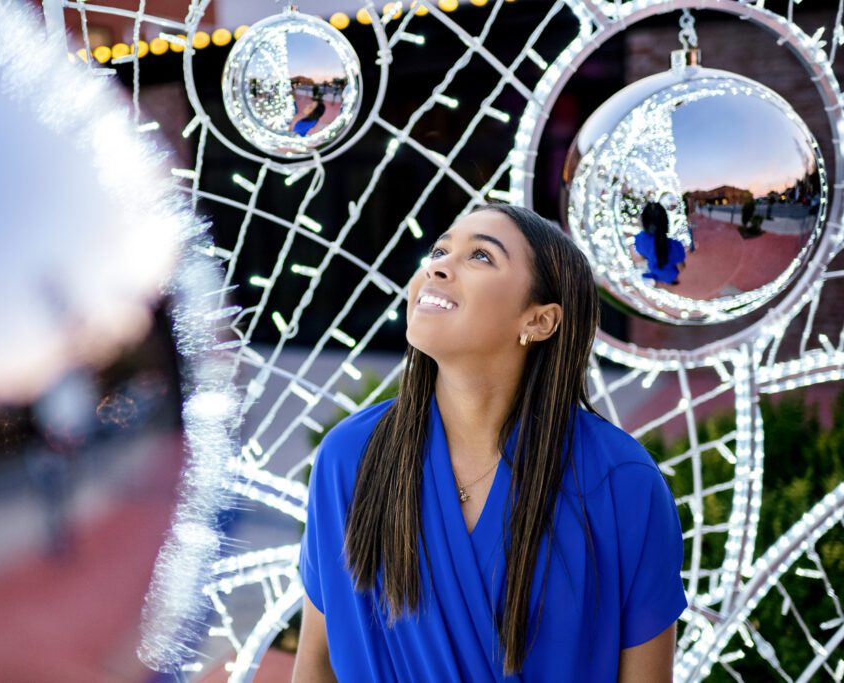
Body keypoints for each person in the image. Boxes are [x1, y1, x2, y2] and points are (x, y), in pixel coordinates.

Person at [294, 203, 687, 682]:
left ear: (540, 321)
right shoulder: (350, 458)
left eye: (480, 256)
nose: (438, 264)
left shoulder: (623, 484)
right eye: (440, 249)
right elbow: (316, 665)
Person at [635, 202, 686, 285]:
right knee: (670, 277)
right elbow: (681, 267)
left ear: (644, 222)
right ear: (666, 223)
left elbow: (643, 258)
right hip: (670, 274)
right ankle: (671, 281)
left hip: (654, 271)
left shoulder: (639, 239)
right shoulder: (675, 246)